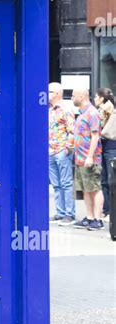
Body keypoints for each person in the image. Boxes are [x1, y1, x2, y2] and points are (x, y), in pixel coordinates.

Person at [72, 87, 104, 230]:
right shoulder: (81, 114)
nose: (72, 98)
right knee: (86, 189)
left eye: (73, 95)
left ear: (82, 96)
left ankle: (98, 219)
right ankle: (89, 217)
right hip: (79, 158)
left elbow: (95, 136)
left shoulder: (92, 113)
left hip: (90, 158)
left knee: (95, 188)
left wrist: (90, 157)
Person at [48, 82, 75, 225]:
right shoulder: (48, 109)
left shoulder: (66, 109)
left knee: (66, 183)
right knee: (56, 184)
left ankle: (69, 214)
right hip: (50, 151)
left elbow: (72, 130)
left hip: (61, 151)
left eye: (49, 92)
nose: (46, 94)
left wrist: (67, 148)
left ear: (57, 93)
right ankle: (60, 212)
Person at [94, 87, 116, 222]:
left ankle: (110, 212)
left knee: (110, 180)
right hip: (102, 148)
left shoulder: (111, 111)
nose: (95, 99)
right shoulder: (101, 112)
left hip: (111, 148)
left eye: (96, 97)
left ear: (102, 98)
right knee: (103, 181)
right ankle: (107, 210)